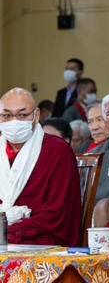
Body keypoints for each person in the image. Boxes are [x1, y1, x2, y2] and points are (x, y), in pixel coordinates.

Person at [0, 88, 81, 246]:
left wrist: (12, 228)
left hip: (35, 233)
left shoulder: (57, 150)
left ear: (36, 116)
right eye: (6, 115)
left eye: (22, 115)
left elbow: (58, 213)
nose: (14, 121)